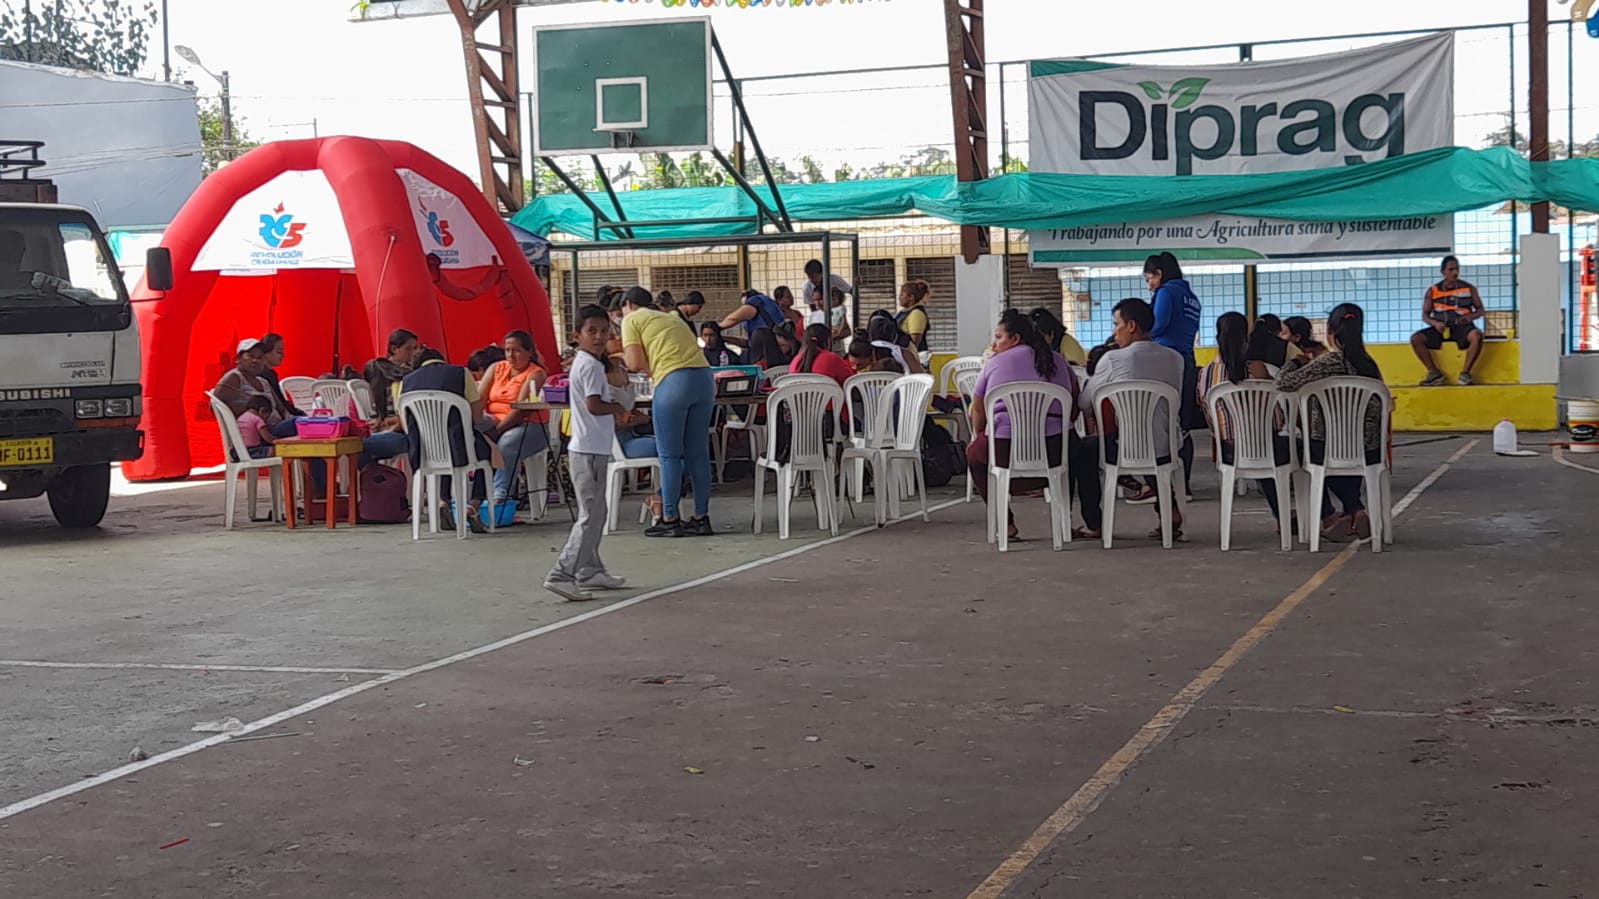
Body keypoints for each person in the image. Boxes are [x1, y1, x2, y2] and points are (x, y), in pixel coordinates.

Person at [966, 310, 1093, 541]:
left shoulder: (994, 363)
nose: (994, 344)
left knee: (974, 454)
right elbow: (1073, 407)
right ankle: (1065, 523)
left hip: (1003, 451)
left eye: (998, 337)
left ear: (1015, 339)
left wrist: (980, 436)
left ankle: (1006, 523)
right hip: (1055, 452)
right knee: (1076, 451)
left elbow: (978, 409)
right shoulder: (1059, 360)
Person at [545, 304, 634, 601]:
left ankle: (590, 569)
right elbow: (594, 405)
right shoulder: (592, 366)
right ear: (577, 336)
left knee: (597, 513)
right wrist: (619, 408)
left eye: (603, 331)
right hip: (589, 451)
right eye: (591, 331)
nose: (599, 337)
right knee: (590, 516)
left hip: (589, 449)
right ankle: (562, 573)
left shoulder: (586, 363)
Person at [1277, 302, 1386, 542]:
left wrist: (1295, 362)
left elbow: (1282, 383)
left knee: (1299, 448)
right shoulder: (1369, 365)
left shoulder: (1328, 362)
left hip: (1329, 448)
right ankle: (1351, 513)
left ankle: (1353, 509)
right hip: (1370, 451)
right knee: (1347, 451)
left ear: (1331, 332)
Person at [1080, 297, 1186, 540]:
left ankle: (1094, 523)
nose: (1113, 332)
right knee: (1146, 436)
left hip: (1127, 447)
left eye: (1116, 324)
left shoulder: (1113, 359)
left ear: (1131, 325)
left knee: (1086, 450)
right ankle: (1168, 509)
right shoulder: (1175, 358)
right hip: (1168, 445)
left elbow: (1085, 403)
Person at [619, 286, 716, 537]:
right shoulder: (671, 318)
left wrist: (618, 355)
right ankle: (701, 517)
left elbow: (635, 363)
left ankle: (670, 518)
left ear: (628, 304)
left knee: (670, 455)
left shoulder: (631, 319)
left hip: (673, 382)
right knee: (698, 453)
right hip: (704, 379)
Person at [1199, 311, 1296, 525]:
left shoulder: (1205, 374)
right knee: (1307, 449)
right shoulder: (1257, 368)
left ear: (1217, 337)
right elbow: (1277, 419)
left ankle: (1284, 515)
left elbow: (1208, 415)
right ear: (1245, 339)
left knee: (1259, 448)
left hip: (1229, 451)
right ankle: (1325, 515)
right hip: (1266, 447)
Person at [399, 346, 492, 533]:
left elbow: (404, 422)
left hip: (424, 451)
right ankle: (473, 506)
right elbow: (476, 417)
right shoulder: (461, 373)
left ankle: (443, 501)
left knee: (442, 447)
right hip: (459, 447)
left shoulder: (406, 382)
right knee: (488, 452)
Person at [1143, 252, 1201, 491]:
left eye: (1149, 279)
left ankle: (1161, 485)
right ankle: (1183, 485)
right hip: (1187, 362)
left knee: (1160, 422)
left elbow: (1156, 326)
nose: (1149, 286)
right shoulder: (1192, 298)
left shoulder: (1166, 292)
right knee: (1182, 425)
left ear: (1159, 274)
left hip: (1165, 362)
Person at [480, 329, 551, 508]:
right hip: (493, 419)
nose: (511, 355)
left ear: (529, 352)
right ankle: (465, 493)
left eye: (517, 351)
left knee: (506, 443)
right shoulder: (496, 368)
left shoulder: (536, 373)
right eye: (507, 350)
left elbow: (520, 410)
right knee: (467, 431)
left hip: (529, 427)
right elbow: (479, 399)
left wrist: (496, 431)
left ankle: (499, 495)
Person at [1411, 254, 1485, 385]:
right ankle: (1434, 373)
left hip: (1462, 327)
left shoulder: (1468, 288)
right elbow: (1425, 315)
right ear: (1443, 271)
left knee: (1477, 336)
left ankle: (1465, 373)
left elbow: (1480, 310)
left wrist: (1469, 317)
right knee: (1416, 338)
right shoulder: (1432, 291)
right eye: (1451, 269)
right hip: (1441, 328)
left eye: (1457, 269)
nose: (1455, 273)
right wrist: (1435, 324)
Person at [215, 339, 298, 439]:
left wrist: (289, 418)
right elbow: (216, 403)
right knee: (302, 423)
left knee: (305, 422)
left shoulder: (264, 382)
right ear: (238, 359)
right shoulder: (234, 377)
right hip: (263, 434)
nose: (255, 361)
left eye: (260, 357)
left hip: (278, 428)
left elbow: (282, 409)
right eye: (250, 356)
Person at [363, 328, 419, 421]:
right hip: (392, 418)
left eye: (415, 348)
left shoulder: (407, 370)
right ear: (394, 349)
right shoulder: (383, 370)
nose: (413, 353)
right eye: (408, 349)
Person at [790, 322, 853, 387]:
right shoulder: (832, 358)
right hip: (829, 393)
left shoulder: (795, 361)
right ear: (828, 341)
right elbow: (849, 381)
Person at [719, 288, 786, 349]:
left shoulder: (755, 301)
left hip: (769, 345)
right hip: (776, 342)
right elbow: (749, 343)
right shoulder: (767, 303)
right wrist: (723, 338)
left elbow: (733, 318)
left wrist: (717, 327)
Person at [256, 333, 305, 417]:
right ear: (266, 353)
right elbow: (279, 402)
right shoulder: (264, 375)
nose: (283, 356)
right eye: (279, 352)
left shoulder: (270, 373)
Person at [808, 285, 853, 350]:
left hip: (836, 350)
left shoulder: (835, 313)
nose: (817, 303)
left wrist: (834, 336)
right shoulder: (813, 315)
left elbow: (847, 332)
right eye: (815, 300)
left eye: (820, 299)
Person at [236, 395, 279, 460]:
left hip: (240, 451)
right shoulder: (257, 419)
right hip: (254, 450)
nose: (265, 420)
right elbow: (268, 439)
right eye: (266, 418)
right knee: (277, 450)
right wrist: (278, 440)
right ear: (262, 410)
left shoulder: (241, 417)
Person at [895, 279, 932, 354]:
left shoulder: (916, 314)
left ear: (911, 297)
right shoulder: (904, 312)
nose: (899, 298)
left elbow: (914, 342)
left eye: (902, 295)